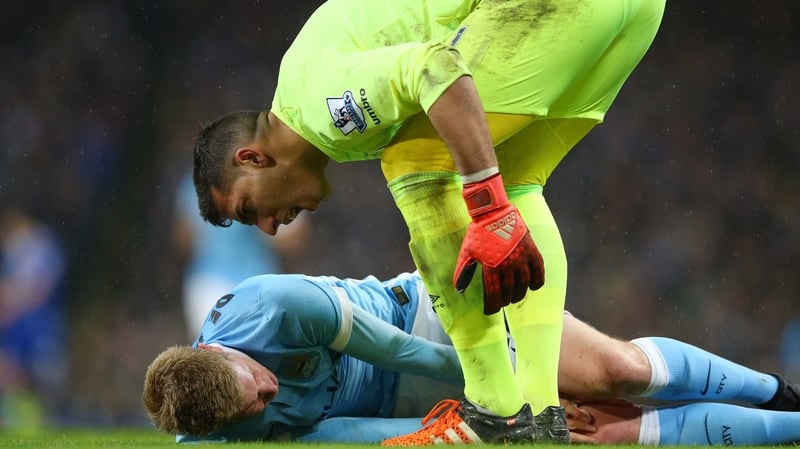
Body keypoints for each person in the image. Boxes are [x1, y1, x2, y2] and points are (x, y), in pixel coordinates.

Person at [191, 1, 666, 443]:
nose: (270, 228)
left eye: (249, 209)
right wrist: (500, 199)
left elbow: (435, 67)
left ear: (252, 158)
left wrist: (488, 205)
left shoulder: (320, 106)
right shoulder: (317, 101)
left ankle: (493, 411)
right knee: (517, 180)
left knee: (414, 162)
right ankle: (541, 416)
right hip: (631, 13)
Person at [143, 271, 800, 445]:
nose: (268, 389)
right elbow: (345, 434)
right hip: (412, 402)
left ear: (219, 350)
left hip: (434, 321)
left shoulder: (274, 306)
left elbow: (400, 349)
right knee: (593, 431)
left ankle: (778, 391)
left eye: (254, 377)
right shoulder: (225, 422)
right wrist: (495, 427)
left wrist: (513, 387)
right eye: (257, 404)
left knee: (619, 373)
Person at [173, 171, 310, 338]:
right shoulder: (197, 183)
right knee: (222, 353)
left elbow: (294, 240)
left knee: (240, 352)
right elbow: (185, 238)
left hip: (253, 283)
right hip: (216, 282)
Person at [0, 206, 70, 428]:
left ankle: (45, 416)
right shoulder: (21, 250)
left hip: (37, 321)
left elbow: (40, 287)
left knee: (41, 374)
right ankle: (21, 416)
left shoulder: (39, 246)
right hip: (25, 321)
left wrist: (11, 296)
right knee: (14, 370)